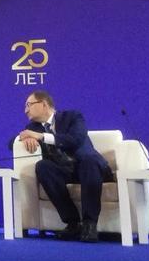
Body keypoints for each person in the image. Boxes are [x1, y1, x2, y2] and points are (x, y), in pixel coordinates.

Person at [18, 90, 113, 243]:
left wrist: (42, 137)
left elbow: (75, 139)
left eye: (29, 105)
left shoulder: (73, 117)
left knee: (89, 161)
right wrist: (26, 139)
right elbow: (12, 142)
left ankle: (89, 224)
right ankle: (73, 223)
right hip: (66, 171)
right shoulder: (33, 127)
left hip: (90, 167)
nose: (26, 110)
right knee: (43, 167)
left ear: (43, 104)